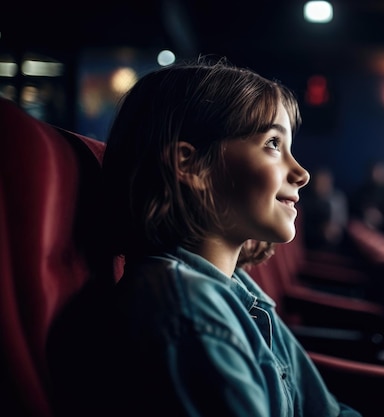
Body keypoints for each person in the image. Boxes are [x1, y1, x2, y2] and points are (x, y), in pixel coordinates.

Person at [98, 57, 364, 416]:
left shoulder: (239, 289)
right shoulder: (188, 312)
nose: (301, 173)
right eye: (273, 143)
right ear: (190, 165)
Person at [301, 166, 349, 250]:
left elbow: (343, 221)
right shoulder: (306, 202)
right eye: (319, 182)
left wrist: (335, 229)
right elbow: (303, 227)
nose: (322, 185)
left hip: (339, 239)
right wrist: (321, 231)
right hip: (313, 243)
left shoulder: (338, 198)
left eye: (325, 182)